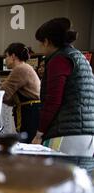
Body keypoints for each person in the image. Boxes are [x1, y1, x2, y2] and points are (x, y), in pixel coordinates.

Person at [31, 18, 94, 156]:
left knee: (57, 176)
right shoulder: (79, 57)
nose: (40, 49)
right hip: (86, 133)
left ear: (47, 41)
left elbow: (53, 100)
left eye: (40, 44)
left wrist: (39, 133)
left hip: (66, 134)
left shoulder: (59, 59)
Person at [0, 43, 41, 143]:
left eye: (6, 56)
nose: (5, 59)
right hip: (28, 110)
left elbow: (3, 94)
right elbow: (9, 99)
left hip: (30, 112)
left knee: (28, 143)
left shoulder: (20, 69)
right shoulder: (24, 68)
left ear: (13, 56)